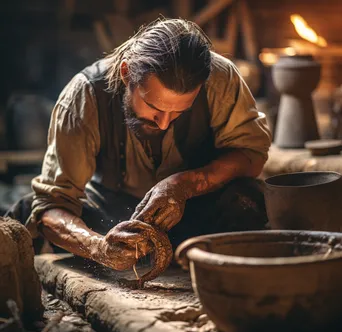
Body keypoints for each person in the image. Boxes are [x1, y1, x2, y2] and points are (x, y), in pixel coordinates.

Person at [7, 18, 271, 271]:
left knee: (248, 199)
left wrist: (184, 185)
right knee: (34, 211)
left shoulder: (219, 78)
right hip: (115, 215)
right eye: (154, 107)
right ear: (126, 74)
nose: (165, 123)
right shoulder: (86, 95)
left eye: (180, 112)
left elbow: (251, 154)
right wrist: (99, 247)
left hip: (197, 208)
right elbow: (52, 204)